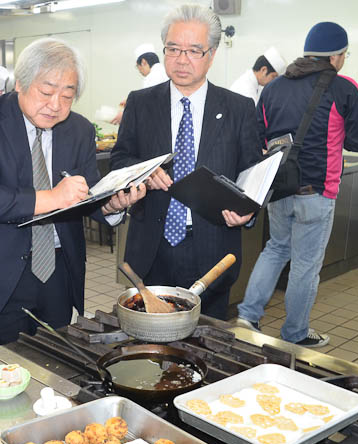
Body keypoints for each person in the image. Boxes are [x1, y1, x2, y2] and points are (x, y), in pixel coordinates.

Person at [0, 38, 145, 351]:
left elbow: (85, 194)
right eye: (46, 92)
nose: (56, 105)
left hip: (56, 271)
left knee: (57, 366)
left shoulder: (78, 130)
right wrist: (53, 197)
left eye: (67, 95)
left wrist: (110, 206)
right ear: (21, 83)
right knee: (3, 370)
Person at [110, 4, 262, 320]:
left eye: (194, 51)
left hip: (213, 248)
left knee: (207, 347)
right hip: (151, 246)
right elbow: (120, 159)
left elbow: (254, 174)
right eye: (173, 49)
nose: (182, 59)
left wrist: (248, 211)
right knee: (149, 345)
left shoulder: (238, 109)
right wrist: (145, 172)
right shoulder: (141, 103)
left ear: (212, 53)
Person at [236, 22, 358, 347]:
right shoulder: (344, 88)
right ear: (337, 57)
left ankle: (247, 316)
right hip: (318, 192)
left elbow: (258, 136)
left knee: (275, 249)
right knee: (305, 265)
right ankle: (295, 333)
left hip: (279, 188)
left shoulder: (273, 87)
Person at [110, 43, 169, 125]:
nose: (140, 71)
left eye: (138, 67)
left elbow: (146, 106)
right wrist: (130, 102)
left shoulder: (152, 77)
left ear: (143, 62)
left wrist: (124, 115)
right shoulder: (164, 71)